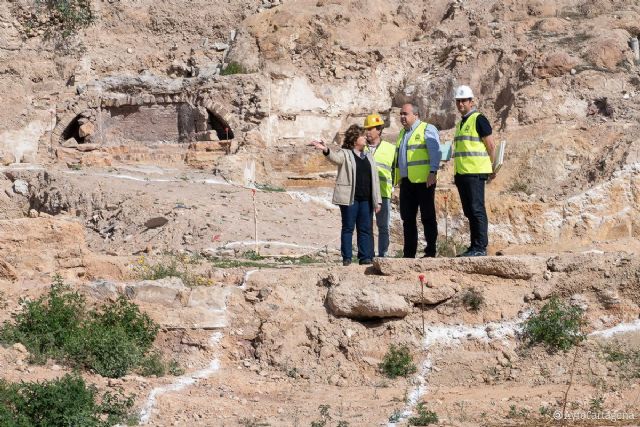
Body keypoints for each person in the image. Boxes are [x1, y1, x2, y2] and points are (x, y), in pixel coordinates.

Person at [310, 124, 382, 266]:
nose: (365, 137)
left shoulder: (368, 156)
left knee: (365, 229)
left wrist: (377, 200)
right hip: (350, 198)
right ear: (355, 139)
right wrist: (325, 149)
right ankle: (347, 258)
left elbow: (375, 179)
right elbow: (335, 158)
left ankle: (365, 257)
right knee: (348, 227)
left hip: (366, 199)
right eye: (362, 135)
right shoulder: (346, 153)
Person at [452, 85, 496, 257]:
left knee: (477, 209)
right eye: (458, 101)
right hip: (463, 173)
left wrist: (491, 167)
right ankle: (474, 246)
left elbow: (490, 145)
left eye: (464, 100)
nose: (461, 104)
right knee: (469, 210)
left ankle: (480, 247)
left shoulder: (479, 119)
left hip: (475, 172)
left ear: (471, 102)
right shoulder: (461, 123)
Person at [395, 103, 442, 258]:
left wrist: (433, 171)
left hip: (424, 181)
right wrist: (399, 178)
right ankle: (409, 254)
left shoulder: (427, 129)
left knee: (427, 216)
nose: (402, 116)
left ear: (416, 115)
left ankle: (430, 251)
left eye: (405, 114)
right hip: (407, 182)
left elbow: (435, 152)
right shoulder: (402, 133)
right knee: (407, 218)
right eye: (401, 114)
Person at [363, 113, 396, 258]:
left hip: (383, 193)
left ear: (379, 130)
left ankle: (383, 255)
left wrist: (393, 186)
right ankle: (368, 255)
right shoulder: (361, 148)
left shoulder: (390, 148)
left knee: (383, 227)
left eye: (371, 129)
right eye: (366, 129)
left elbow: (396, 170)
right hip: (365, 194)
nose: (368, 132)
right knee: (366, 227)